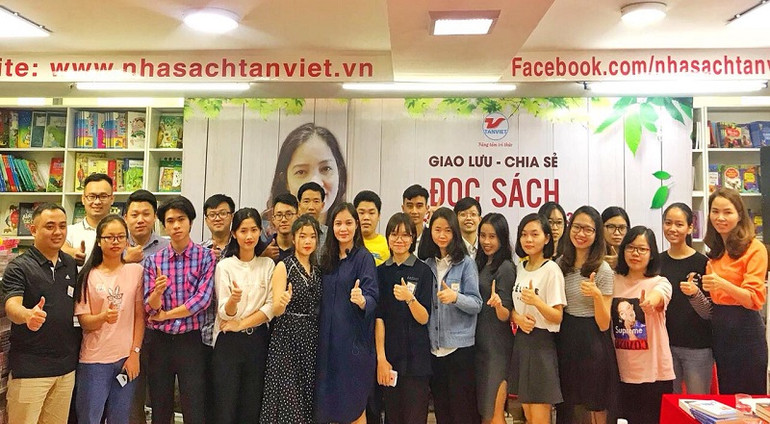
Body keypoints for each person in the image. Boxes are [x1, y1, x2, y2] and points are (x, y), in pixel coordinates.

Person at [2, 203, 80, 424]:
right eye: (50, 226)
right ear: (33, 229)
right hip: (30, 370)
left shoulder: (69, 263)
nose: (58, 232)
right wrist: (27, 315)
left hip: (65, 369)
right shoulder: (19, 267)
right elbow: (12, 306)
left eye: (62, 226)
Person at [143, 196, 215, 424]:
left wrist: (167, 315)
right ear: (164, 225)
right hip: (159, 341)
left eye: (181, 219)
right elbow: (149, 306)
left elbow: (202, 300)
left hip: (191, 340)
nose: (176, 226)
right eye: (170, 221)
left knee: (194, 404)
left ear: (191, 222)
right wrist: (157, 293)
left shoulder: (206, 257)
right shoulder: (154, 261)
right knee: (160, 404)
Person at [74, 215, 145, 424]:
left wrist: (135, 353)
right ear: (99, 241)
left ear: (127, 241)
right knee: (89, 418)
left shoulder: (136, 271)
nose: (115, 242)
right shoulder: (88, 275)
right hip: (94, 361)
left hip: (125, 359)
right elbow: (85, 321)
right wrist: (103, 317)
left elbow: (140, 316)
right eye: (109, 237)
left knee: (120, 418)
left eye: (120, 237)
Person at [315, 203, 379, 424]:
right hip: (327, 346)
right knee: (328, 406)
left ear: (356, 225)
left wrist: (362, 300)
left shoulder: (363, 258)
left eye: (348, 223)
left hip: (352, 345)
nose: (343, 228)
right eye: (338, 223)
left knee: (353, 405)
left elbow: (373, 295)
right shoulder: (326, 258)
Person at [418, 207, 482, 424]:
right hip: (434, 349)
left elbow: (477, 304)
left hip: (459, 350)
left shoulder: (466, 263)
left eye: (448, 230)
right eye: (437, 229)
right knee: (442, 411)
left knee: (462, 412)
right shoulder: (426, 264)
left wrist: (456, 297)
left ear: (455, 232)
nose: (442, 235)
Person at [212, 208, 275, 423]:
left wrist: (241, 324)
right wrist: (233, 300)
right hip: (228, 343)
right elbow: (224, 312)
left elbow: (270, 308)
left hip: (257, 340)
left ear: (260, 232)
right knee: (225, 406)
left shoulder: (268, 265)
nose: (249, 236)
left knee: (251, 406)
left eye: (254, 230)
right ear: (234, 234)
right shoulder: (225, 266)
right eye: (243, 231)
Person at [703, 188, 768, 394]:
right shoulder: (716, 251)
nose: (720, 218)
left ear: (740, 215)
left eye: (727, 212)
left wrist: (722, 284)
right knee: (726, 395)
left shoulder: (754, 248)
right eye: (715, 211)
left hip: (745, 328)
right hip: (720, 329)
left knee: (750, 397)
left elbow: (754, 299)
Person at [555, 206, 615, 424]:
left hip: (592, 340)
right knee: (567, 402)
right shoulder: (560, 264)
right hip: (565, 336)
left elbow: (604, 323)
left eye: (588, 229)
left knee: (594, 402)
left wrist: (597, 296)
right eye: (577, 227)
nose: (581, 234)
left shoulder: (603, 269)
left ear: (597, 234)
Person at [261, 214, 323, 424]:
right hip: (287, 338)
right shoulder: (284, 266)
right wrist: (283, 301)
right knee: (288, 397)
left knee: (307, 395)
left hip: (311, 338)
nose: (307, 241)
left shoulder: (318, 270)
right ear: (294, 238)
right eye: (302, 236)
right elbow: (276, 310)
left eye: (312, 236)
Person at [612, 226, 674, 424]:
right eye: (630, 248)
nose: (635, 253)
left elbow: (659, 296)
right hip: (620, 372)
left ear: (652, 253)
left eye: (642, 249)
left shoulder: (660, 282)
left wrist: (650, 302)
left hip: (654, 374)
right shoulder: (613, 280)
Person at [375, 213, 433, 424]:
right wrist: (381, 358)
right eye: (394, 234)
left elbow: (424, 318)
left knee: (415, 418)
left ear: (413, 238)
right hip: (390, 359)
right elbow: (378, 318)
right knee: (392, 417)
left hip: (417, 361)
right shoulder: (380, 272)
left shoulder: (423, 270)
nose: (399, 240)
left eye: (405, 235)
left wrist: (410, 299)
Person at [509, 213, 566, 424]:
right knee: (528, 413)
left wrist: (536, 302)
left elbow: (557, 316)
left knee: (540, 414)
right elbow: (514, 308)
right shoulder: (520, 267)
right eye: (524, 234)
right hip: (522, 342)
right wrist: (517, 318)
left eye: (535, 234)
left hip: (542, 344)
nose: (529, 240)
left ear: (547, 238)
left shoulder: (551, 270)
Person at [659, 203, 712, 394]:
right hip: (665, 346)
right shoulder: (657, 262)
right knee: (669, 403)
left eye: (679, 224)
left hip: (697, 348)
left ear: (690, 227)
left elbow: (709, 313)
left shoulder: (703, 263)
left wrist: (695, 294)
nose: (672, 228)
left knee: (698, 404)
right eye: (668, 223)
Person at [474, 213, 515, 424]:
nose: (486, 241)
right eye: (483, 235)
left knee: (494, 414)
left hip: (497, 348)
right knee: (485, 412)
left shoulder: (505, 267)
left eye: (492, 236)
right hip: (479, 345)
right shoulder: (480, 263)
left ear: (502, 238)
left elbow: (506, 314)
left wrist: (498, 305)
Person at [267, 122, 347, 226]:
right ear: (285, 180)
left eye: (325, 169)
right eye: (301, 172)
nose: (315, 183)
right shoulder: (263, 231)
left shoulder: (353, 229)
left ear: (339, 173)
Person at [63, 173, 115, 266]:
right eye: (92, 196)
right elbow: (56, 248)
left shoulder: (122, 232)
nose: (97, 202)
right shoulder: (69, 231)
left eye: (103, 196)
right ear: (83, 199)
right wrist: (71, 253)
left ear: (112, 199)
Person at [123, 189, 169, 264]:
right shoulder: (116, 246)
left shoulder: (166, 247)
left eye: (146, 214)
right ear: (125, 218)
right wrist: (126, 261)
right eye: (134, 215)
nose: (140, 220)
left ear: (155, 217)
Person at [355, 190, 390, 266]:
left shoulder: (388, 245)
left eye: (371, 213)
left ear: (379, 216)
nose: (366, 217)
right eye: (361, 213)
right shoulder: (348, 243)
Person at [201, 193, 236, 260]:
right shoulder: (199, 251)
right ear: (206, 220)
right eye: (212, 215)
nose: (217, 219)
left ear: (232, 216)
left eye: (223, 213)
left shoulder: (242, 247)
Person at [298, 182, 329, 249]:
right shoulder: (291, 232)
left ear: (322, 205)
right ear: (299, 205)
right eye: (306, 201)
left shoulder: (329, 234)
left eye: (316, 201)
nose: (311, 207)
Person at [270, 192, 299, 263]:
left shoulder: (303, 247)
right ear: (273, 219)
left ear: (297, 216)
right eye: (279, 215)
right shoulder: (266, 248)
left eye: (288, 214)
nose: (283, 220)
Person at [402, 184, 430, 252]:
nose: (414, 211)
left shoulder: (432, 238)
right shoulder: (396, 238)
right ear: (403, 208)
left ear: (427, 208)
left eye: (419, 206)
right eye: (410, 206)